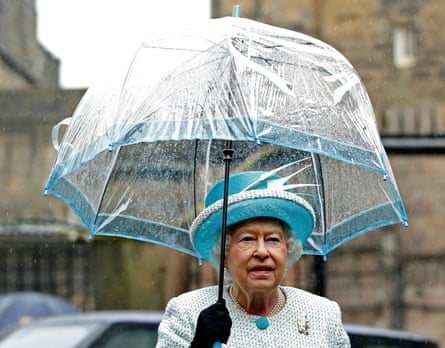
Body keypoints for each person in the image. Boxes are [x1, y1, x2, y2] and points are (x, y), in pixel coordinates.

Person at [156, 171, 351, 347]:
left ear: (288, 250)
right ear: (223, 253)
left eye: (273, 240)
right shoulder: (187, 312)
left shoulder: (324, 315)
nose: (262, 252)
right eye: (247, 239)